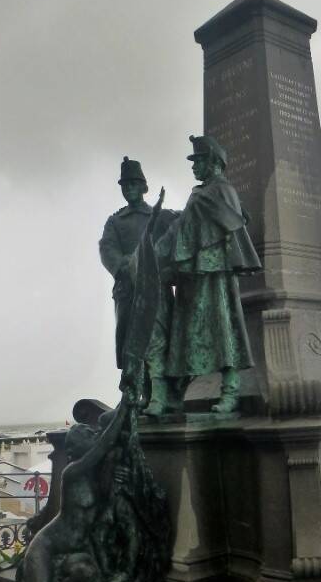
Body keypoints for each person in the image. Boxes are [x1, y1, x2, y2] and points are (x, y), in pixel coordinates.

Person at [157, 135, 261, 414]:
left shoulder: (222, 191)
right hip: (192, 272)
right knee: (186, 332)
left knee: (223, 328)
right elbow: (184, 226)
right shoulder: (200, 193)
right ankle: (177, 394)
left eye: (198, 160)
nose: (194, 166)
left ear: (213, 162)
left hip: (215, 272)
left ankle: (230, 391)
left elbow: (228, 228)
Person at [99, 157, 177, 412]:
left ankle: (160, 395)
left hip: (154, 288)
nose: (129, 188)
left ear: (144, 187)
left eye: (134, 184)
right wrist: (128, 265)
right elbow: (107, 250)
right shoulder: (115, 222)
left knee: (157, 338)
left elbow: (174, 238)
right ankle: (141, 393)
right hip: (128, 290)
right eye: (125, 185)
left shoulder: (160, 216)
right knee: (131, 343)